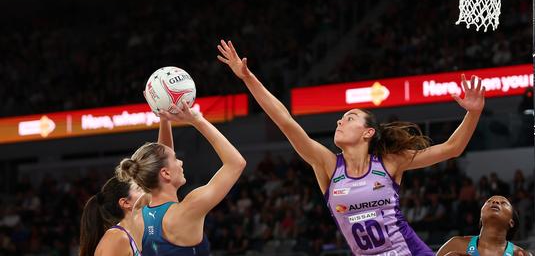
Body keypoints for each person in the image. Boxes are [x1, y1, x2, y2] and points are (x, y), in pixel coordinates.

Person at [217, 40, 485, 255]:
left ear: (368, 132)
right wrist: (247, 78)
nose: (339, 120)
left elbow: (452, 148)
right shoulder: (328, 165)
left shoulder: (389, 162)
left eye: (350, 117)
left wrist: (473, 113)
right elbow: (285, 122)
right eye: (341, 117)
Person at [116, 100, 246, 255]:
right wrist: (196, 120)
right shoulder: (189, 209)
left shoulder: (138, 212)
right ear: (165, 173)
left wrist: (164, 118)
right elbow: (236, 163)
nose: (181, 162)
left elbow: (161, 161)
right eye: (176, 159)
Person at [79, 114, 175, 256]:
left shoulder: (145, 231)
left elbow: (164, 162)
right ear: (125, 203)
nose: (147, 188)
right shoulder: (117, 238)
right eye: (139, 187)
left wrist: (165, 119)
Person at [436, 196, 528, 256]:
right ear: (481, 217)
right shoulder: (454, 245)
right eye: (489, 201)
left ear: (511, 222)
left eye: (504, 203)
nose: (495, 201)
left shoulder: (521, 254)